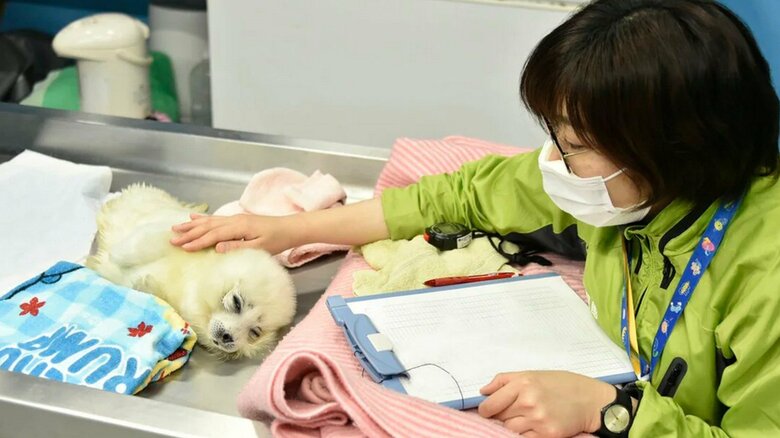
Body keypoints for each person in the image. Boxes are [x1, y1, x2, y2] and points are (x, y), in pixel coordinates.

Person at [170, 0, 780, 436]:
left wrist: (612, 412)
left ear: (675, 148)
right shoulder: (628, 189)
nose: (555, 162)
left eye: (575, 143)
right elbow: (453, 198)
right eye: (554, 136)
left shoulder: (764, 278)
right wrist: (291, 230)